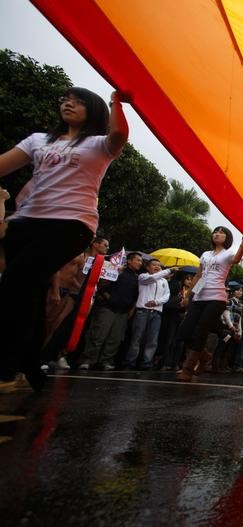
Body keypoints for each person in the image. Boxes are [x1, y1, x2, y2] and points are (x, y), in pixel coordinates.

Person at [0, 88, 129, 391]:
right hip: (25, 222)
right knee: (30, 290)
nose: (69, 104)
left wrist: (116, 103)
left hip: (72, 223)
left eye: (79, 101)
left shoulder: (99, 145)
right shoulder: (37, 141)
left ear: (94, 110)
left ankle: (6, 364)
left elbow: (120, 134)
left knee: (15, 282)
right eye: (65, 100)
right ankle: (29, 362)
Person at [176, 227, 243, 381]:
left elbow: (236, 260)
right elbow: (199, 275)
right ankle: (204, 355)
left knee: (201, 330)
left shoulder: (227, 254)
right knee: (186, 331)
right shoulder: (205, 254)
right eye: (215, 231)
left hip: (216, 298)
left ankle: (187, 368)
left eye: (221, 232)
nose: (217, 234)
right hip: (200, 296)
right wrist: (189, 295)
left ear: (226, 237)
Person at [79, 251, 142, 370]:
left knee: (115, 339)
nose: (140, 263)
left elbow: (135, 297)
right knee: (98, 335)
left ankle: (106, 361)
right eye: (138, 260)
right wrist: (109, 298)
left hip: (123, 312)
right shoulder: (116, 271)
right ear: (129, 261)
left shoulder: (137, 278)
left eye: (141, 261)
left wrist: (131, 311)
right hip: (107, 308)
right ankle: (88, 360)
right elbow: (102, 286)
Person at [123, 259, 176, 370]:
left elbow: (167, 295)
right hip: (143, 311)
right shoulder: (143, 276)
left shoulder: (164, 281)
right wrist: (168, 270)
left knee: (152, 340)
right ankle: (130, 362)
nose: (157, 266)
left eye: (159, 265)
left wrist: (156, 302)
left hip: (156, 313)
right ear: (147, 267)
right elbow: (152, 278)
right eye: (154, 265)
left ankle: (146, 363)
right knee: (137, 338)